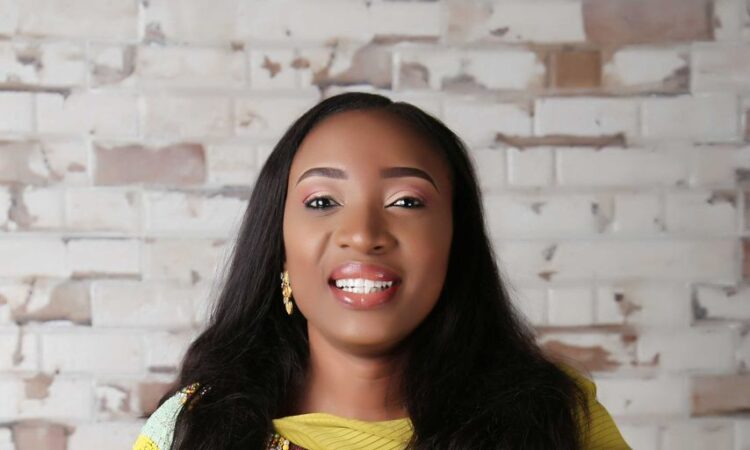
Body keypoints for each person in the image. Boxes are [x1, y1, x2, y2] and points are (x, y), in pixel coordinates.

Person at [132, 92, 630, 450]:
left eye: (406, 202)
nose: (363, 233)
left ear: (455, 241)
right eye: (322, 201)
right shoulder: (190, 431)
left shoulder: (554, 421)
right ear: (278, 247)